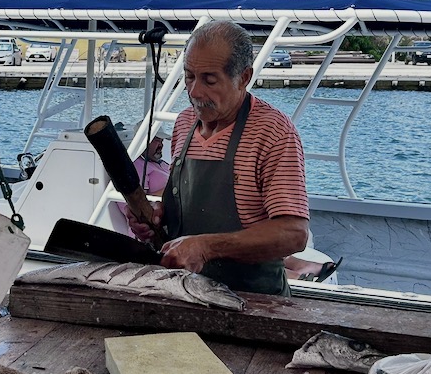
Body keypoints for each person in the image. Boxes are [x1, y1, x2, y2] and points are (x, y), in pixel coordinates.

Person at [126, 20, 308, 295]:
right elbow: (187, 205)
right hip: (183, 290)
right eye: (189, 77)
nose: (194, 92)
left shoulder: (273, 131)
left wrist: (206, 247)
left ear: (244, 78)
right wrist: (157, 219)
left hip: (252, 298)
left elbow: (294, 233)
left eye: (210, 80)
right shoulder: (184, 123)